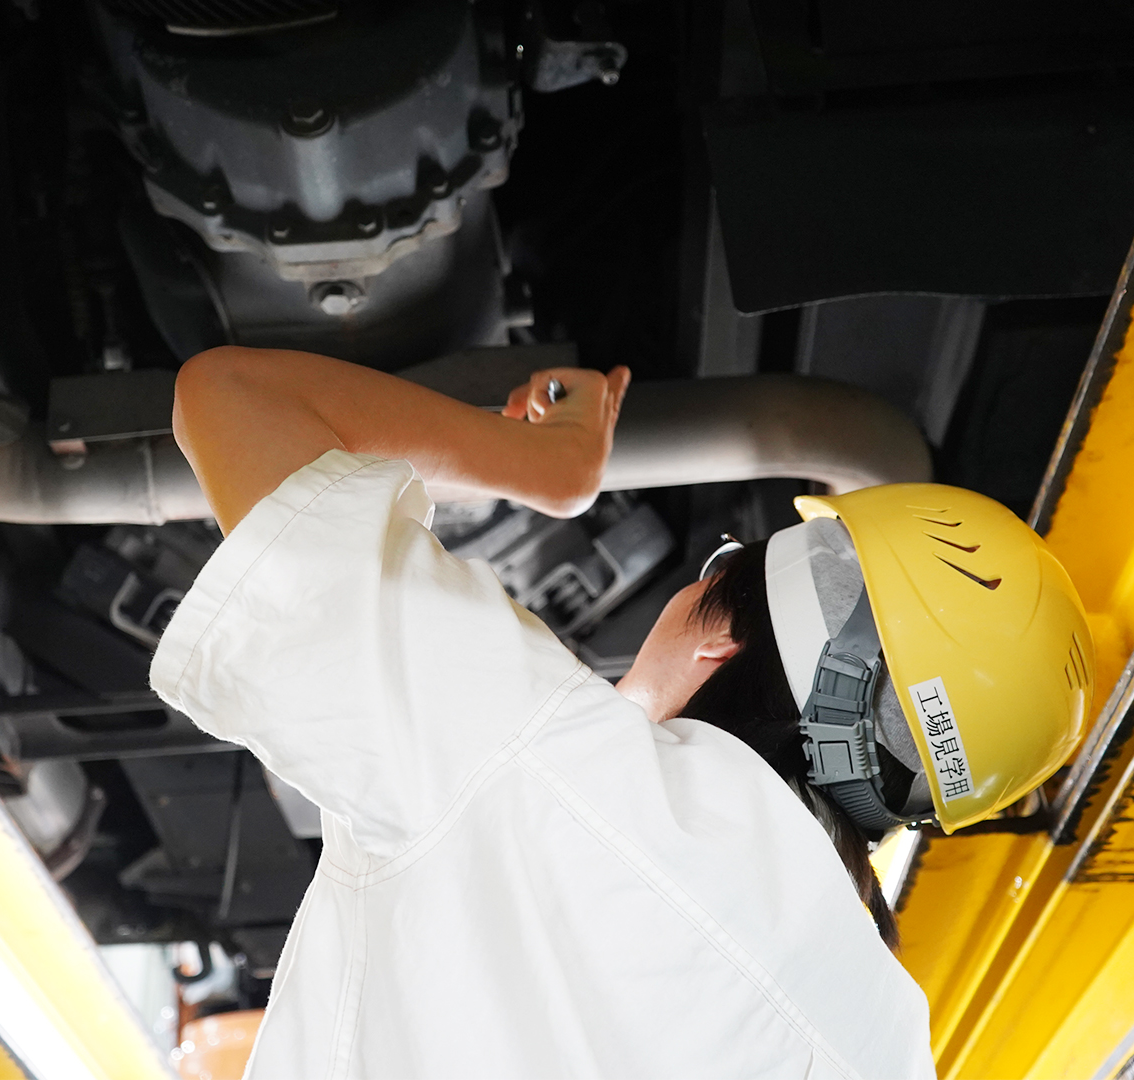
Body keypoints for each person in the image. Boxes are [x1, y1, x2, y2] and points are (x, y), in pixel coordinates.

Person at [151, 346, 1092, 1079]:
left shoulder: (534, 758)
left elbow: (232, 397)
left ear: (722, 640)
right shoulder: (886, 1046)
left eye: (719, 563)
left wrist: (542, 464)